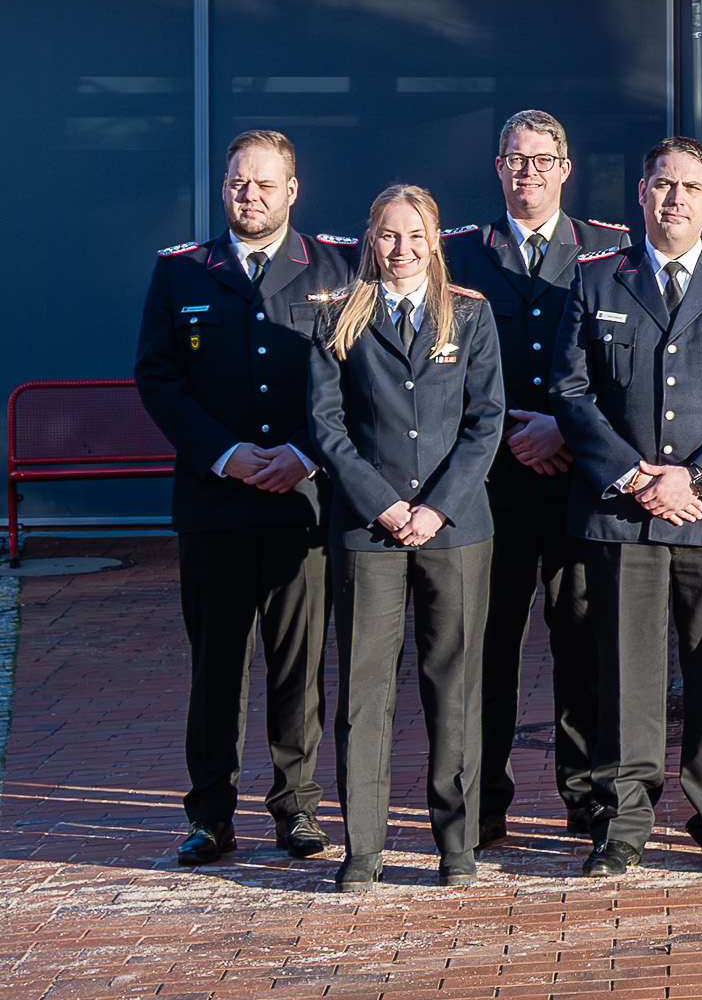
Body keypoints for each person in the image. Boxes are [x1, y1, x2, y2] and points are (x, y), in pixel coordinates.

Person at [552, 137, 702, 878]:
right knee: (626, 669)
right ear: (642, 195)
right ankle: (623, 821)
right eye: (662, 185)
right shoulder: (596, 279)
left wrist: (696, 479)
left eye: (690, 186)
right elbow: (571, 391)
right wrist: (632, 476)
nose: (675, 198)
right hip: (623, 513)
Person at [136, 129, 356, 868]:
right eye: (238, 184)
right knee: (217, 668)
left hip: (302, 504)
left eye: (264, 184)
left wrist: (302, 453)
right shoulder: (181, 274)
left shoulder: (338, 267)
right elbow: (158, 379)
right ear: (223, 188)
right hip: (215, 502)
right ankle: (210, 816)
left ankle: (296, 810)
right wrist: (227, 456)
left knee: (299, 667)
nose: (250, 196)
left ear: (293, 190)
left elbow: (359, 382)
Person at [303, 184, 506, 890]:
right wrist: (386, 505)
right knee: (365, 696)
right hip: (369, 530)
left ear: (436, 240)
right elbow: (327, 426)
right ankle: (363, 851)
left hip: (454, 532)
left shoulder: (471, 317)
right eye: (389, 236)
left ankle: (457, 848)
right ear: (370, 238)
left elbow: (487, 423)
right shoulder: (339, 317)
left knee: (453, 690)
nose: (402, 250)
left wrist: (437, 508)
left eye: (416, 236)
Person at [443, 111, 629, 848]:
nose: (528, 172)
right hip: (489, 481)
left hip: (579, 479)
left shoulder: (610, 252)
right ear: (498, 168)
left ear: (566, 168)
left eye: (541, 160)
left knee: (582, 642)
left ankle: (585, 796)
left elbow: (625, 368)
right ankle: (483, 799)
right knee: (486, 646)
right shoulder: (457, 254)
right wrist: (511, 435)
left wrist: (562, 425)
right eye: (515, 160)